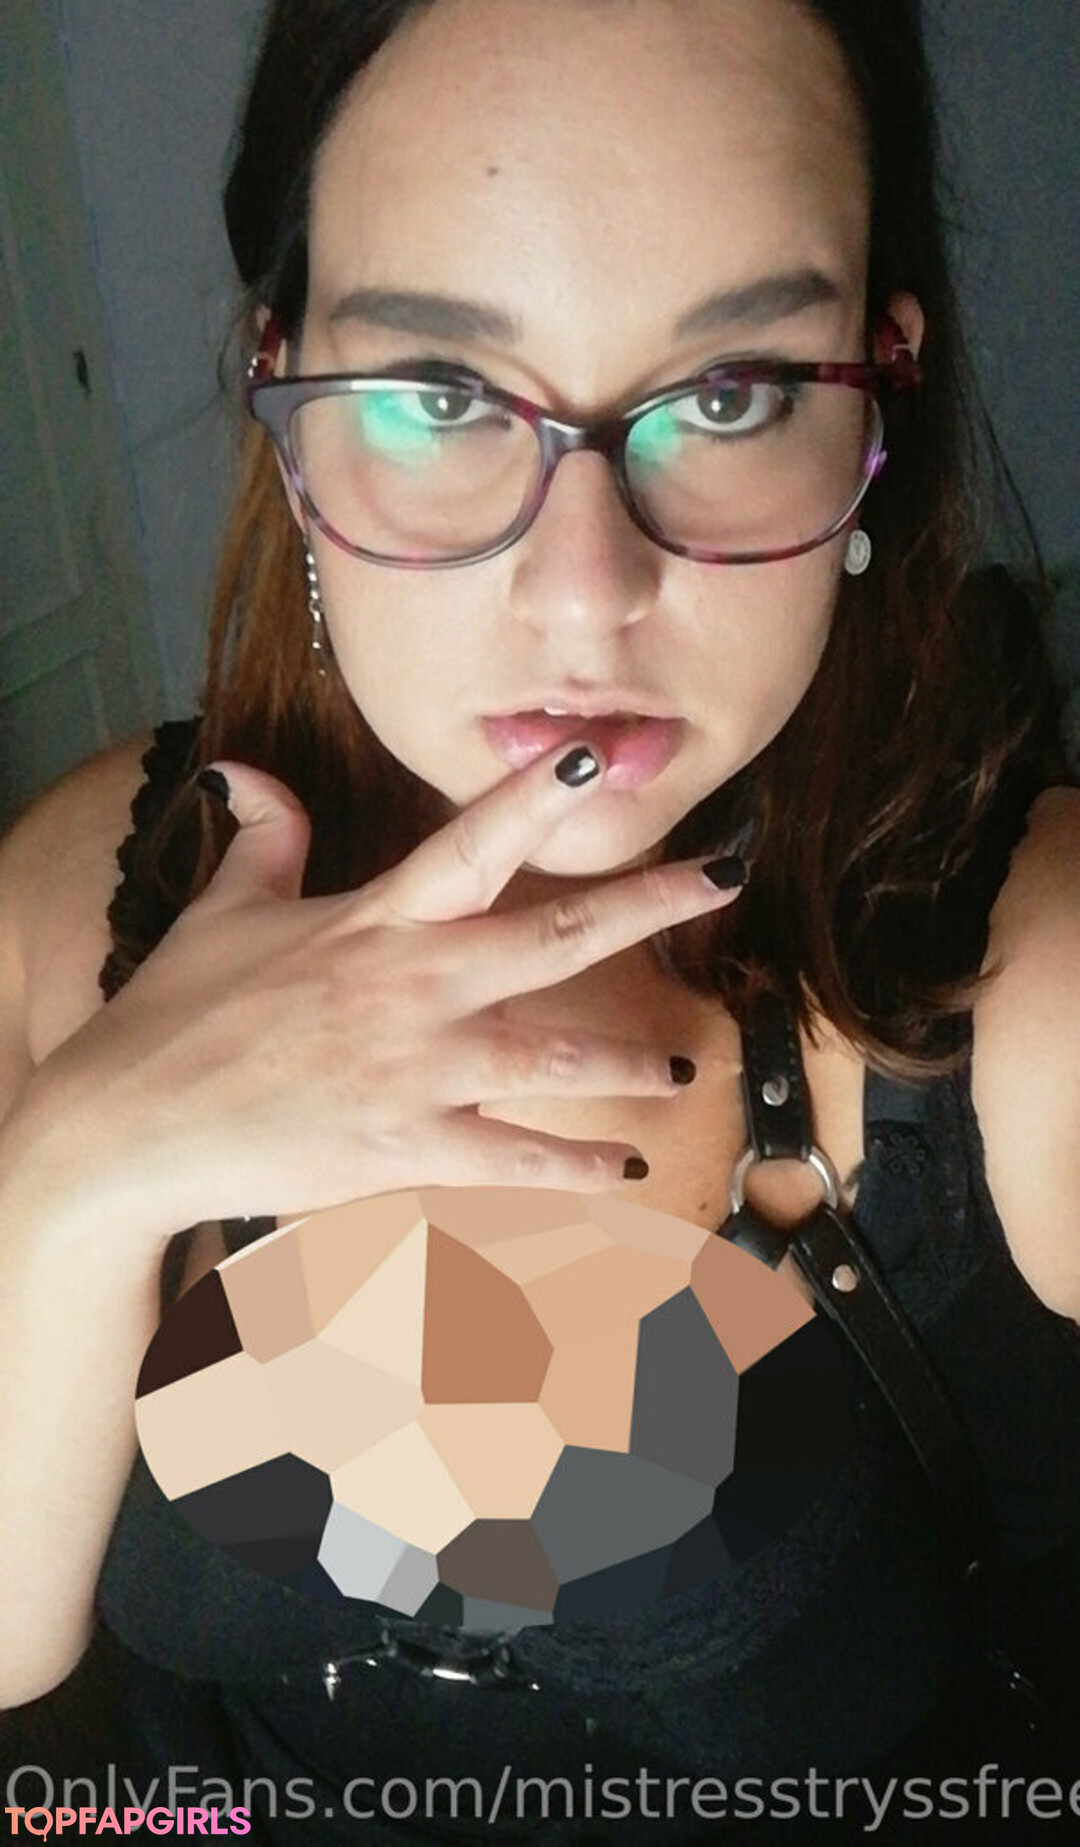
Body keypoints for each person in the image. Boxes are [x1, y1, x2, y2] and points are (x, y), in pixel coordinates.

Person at [1, 0, 1078, 1840]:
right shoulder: (79, 896)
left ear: (879, 396)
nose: (586, 598)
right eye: (441, 394)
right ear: (282, 394)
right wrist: (78, 1167)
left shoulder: (1032, 1000)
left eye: (730, 392)